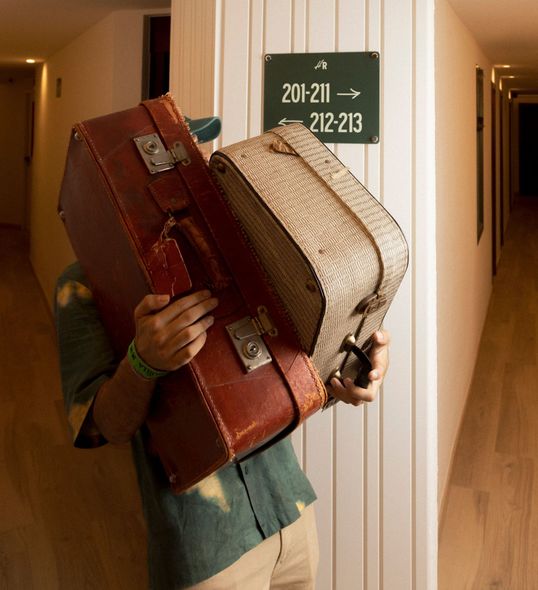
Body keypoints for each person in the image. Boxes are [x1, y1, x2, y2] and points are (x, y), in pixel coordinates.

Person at [55, 116, 390, 590]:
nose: (192, 158)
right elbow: (100, 425)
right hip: (205, 545)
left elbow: (298, 358)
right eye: (179, 152)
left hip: (290, 512)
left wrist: (355, 366)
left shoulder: (249, 247)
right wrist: (143, 362)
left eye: (195, 146)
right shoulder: (83, 282)